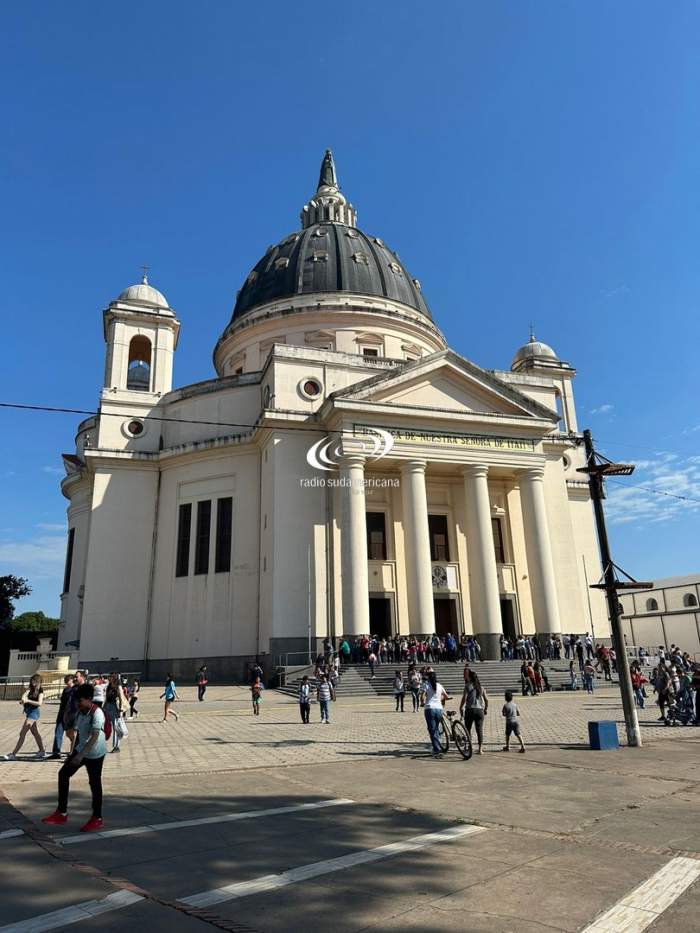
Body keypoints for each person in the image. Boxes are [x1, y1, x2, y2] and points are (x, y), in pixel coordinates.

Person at [41, 682, 106, 832]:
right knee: (63, 774)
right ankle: (61, 813)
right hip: (81, 749)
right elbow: (77, 734)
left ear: (89, 699)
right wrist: (73, 753)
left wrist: (81, 755)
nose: (78, 704)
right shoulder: (80, 712)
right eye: (77, 701)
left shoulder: (97, 713)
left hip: (96, 753)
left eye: (80, 701)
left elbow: (94, 737)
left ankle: (97, 818)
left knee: (94, 783)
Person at [2, 674, 46, 760]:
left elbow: (39, 703)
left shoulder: (40, 692)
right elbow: (24, 697)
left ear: (39, 682)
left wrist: (28, 700)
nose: (33, 683)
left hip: (34, 713)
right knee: (35, 733)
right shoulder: (30, 690)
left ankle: (13, 754)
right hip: (29, 712)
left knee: (22, 733)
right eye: (32, 680)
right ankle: (42, 751)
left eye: (35, 681)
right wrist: (23, 701)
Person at [461, 668, 488, 755]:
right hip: (480, 710)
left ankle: (470, 747)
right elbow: (486, 700)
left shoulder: (467, 686)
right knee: (479, 730)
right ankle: (480, 749)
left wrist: (461, 707)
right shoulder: (481, 687)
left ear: (470, 678)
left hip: (470, 710)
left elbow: (464, 699)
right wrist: (486, 708)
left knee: (468, 729)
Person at [423, 671, 450, 759]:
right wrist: (439, 698)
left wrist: (422, 701)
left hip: (429, 709)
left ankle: (436, 750)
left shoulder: (426, 685)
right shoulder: (440, 685)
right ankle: (437, 746)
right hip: (439, 709)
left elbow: (422, 695)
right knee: (436, 729)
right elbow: (446, 696)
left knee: (432, 730)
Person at [50, 674, 74, 759]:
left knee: (71, 734)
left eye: (68, 680)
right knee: (58, 733)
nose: (67, 681)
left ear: (72, 680)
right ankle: (56, 752)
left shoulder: (75, 690)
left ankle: (75, 750)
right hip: (62, 713)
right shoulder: (65, 690)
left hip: (70, 715)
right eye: (66, 680)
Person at [105, 672, 126, 752]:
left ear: (113, 677)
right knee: (105, 725)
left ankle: (116, 746)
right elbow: (107, 697)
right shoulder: (109, 686)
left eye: (109, 677)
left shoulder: (118, 685)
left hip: (115, 707)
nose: (108, 678)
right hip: (108, 706)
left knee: (116, 726)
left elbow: (121, 697)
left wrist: (121, 710)